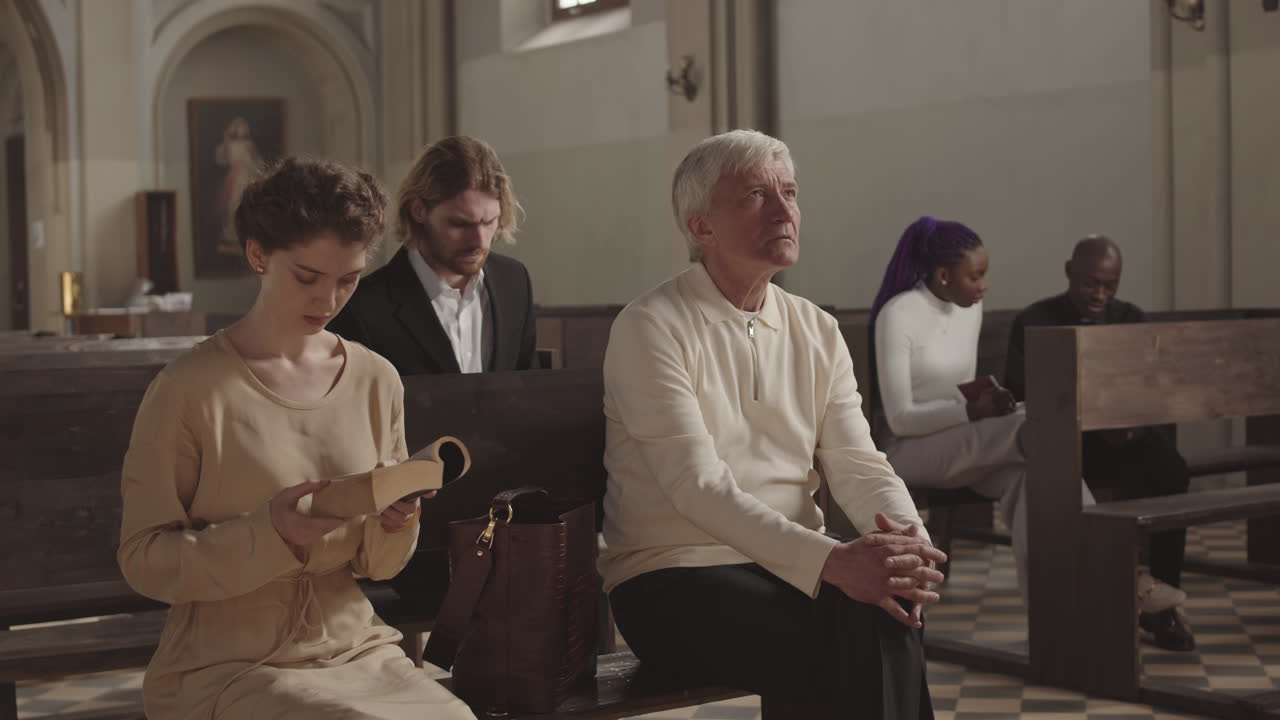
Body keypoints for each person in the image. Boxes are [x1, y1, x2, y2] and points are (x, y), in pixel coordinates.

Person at [601, 130, 945, 720]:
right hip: (672, 576)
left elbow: (858, 463)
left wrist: (906, 542)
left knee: (886, 598)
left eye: (790, 191)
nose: (786, 211)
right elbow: (697, 488)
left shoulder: (817, 329)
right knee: (860, 626)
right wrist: (835, 563)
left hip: (791, 566)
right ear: (701, 226)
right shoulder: (651, 326)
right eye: (758, 195)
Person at [117, 156, 476, 720]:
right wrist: (270, 534)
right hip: (227, 663)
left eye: (348, 280)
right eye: (308, 277)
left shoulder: (375, 379)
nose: (328, 300)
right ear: (258, 254)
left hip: (355, 647)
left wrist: (395, 518)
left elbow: (379, 568)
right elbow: (144, 560)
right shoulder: (188, 389)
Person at [870, 216, 1097, 600]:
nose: (983, 286)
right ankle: (1111, 569)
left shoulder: (969, 309)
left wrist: (989, 404)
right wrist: (972, 414)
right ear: (943, 275)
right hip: (905, 450)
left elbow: (962, 394)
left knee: (1031, 477)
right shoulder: (899, 314)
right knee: (1036, 430)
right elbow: (901, 419)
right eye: (974, 277)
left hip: (967, 446)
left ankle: (1053, 611)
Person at [1003, 234, 1195, 651]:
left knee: (1172, 472)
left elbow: (1152, 386)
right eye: (1091, 283)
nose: (1100, 294)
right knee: (1053, 479)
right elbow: (1022, 391)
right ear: (1070, 272)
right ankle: (1083, 607)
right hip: (1067, 440)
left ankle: (1162, 608)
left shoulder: (1132, 319)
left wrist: (1131, 428)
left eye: (1110, 285)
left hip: (1127, 437)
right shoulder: (1036, 318)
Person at [328, 135, 537, 375]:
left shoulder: (514, 281)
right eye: (460, 224)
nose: (479, 241)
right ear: (419, 211)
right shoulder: (365, 307)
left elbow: (528, 391)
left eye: (489, 222)